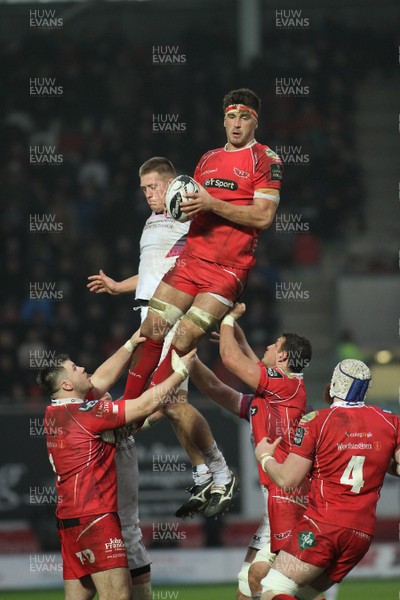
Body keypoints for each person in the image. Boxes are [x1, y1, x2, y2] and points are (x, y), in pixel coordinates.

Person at [119, 89, 283, 514]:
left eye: (244, 117)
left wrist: (212, 202)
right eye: (230, 115)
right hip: (192, 260)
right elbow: (191, 209)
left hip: (227, 271)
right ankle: (127, 416)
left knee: (184, 340)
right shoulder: (207, 160)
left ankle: (205, 465)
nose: (235, 123)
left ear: (255, 122)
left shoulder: (265, 160)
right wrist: (186, 206)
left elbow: (263, 217)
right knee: (152, 331)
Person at [87, 156, 236, 520]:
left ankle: (219, 469)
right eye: (144, 189)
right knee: (171, 404)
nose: (149, 195)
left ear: (172, 184)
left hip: (173, 312)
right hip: (149, 311)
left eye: (154, 187)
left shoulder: (187, 214)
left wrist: (217, 305)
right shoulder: (153, 220)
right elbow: (152, 270)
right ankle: (204, 472)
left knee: (167, 401)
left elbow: (207, 259)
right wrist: (119, 286)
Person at [37, 329, 195, 600]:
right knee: (119, 597)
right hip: (95, 518)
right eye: (75, 368)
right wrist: (180, 373)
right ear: (66, 385)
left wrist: (131, 344)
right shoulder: (88, 415)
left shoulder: (54, 412)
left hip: (69, 521)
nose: (83, 368)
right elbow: (146, 404)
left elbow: (98, 381)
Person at [188, 304, 312, 600]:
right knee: (247, 587)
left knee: (278, 583)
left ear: (282, 357)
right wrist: (188, 360)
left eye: (274, 344)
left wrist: (229, 318)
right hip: (276, 502)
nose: (267, 345)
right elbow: (217, 389)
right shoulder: (271, 395)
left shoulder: (285, 385)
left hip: (288, 498)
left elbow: (231, 359)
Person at [255, 359, 400, 600]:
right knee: (302, 595)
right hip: (360, 536)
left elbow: (287, 479)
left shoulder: (315, 422)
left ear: (336, 383)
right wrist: (374, 455)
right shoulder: (390, 421)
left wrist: (265, 457)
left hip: (323, 527)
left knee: (272, 590)